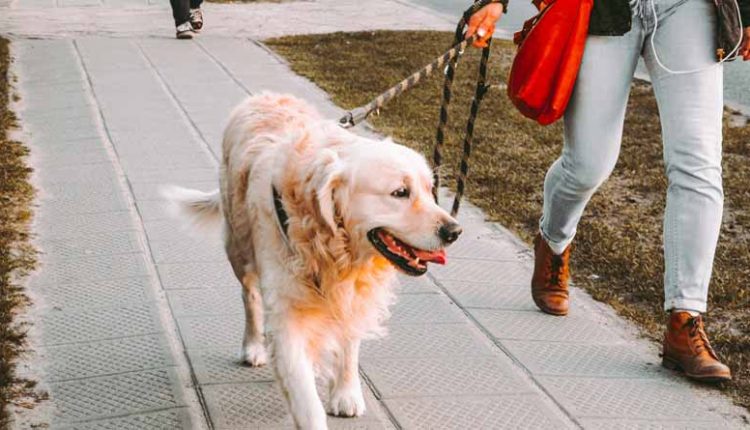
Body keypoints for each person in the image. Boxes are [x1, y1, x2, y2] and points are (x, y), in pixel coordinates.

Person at [467, 0, 750, 382]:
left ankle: (685, 319)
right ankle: (553, 241)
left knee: (699, 166)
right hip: (606, 9)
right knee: (587, 164)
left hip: (689, 9)